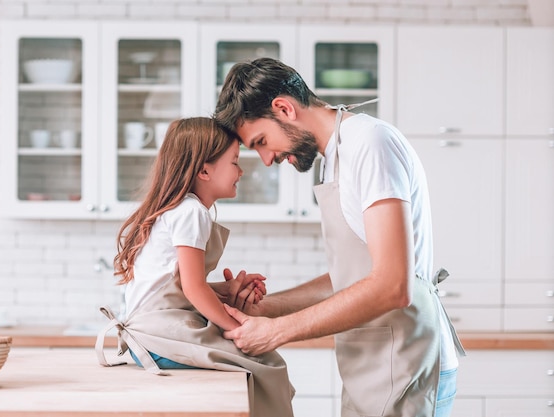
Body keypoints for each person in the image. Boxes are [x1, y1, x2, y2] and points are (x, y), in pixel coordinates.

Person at [214, 58, 466, 417]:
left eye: (261, 141)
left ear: (284, 108)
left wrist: (278, 331)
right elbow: (353, 278)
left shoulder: (370, 143)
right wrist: (266, 309)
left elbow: (393, 284)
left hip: (408, 364)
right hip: (375, 364)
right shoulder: (334, 157)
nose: (267, 159)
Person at [95, 117, 295, 417]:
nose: (241, 171)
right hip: (161, 338)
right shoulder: (192, 213)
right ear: (204, 170)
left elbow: (174, 287)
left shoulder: (179, 210)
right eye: (235, 162)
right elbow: (193, 288)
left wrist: (225, 292)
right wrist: (239, 329)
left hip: (152, 335)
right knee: (267, 362)